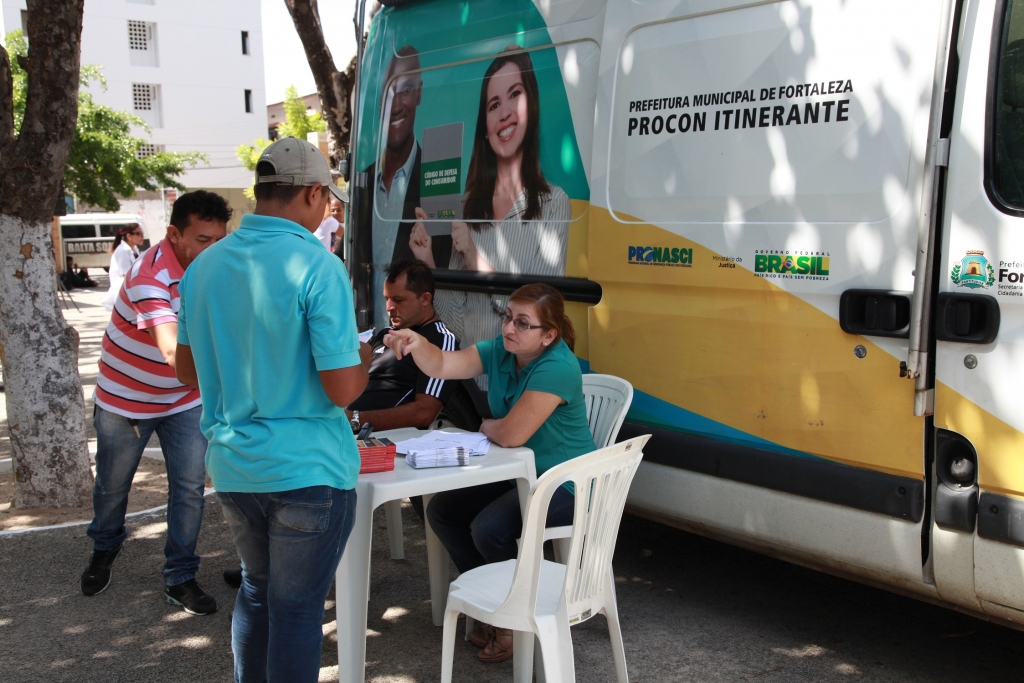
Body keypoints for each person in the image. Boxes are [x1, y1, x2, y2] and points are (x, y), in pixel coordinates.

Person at [174, 136, 370, 683]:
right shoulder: (318, 265)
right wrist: (367, 355)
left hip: (236, 467)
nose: (330, 208)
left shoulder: (203, 267)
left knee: (258, 593)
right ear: (311, 193)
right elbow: (343, 389)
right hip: (308, 470)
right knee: (298, 609)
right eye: (328, 197)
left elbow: (187, 373)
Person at [383, 283, 594, 663]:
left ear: (549, 335)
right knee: (443, 513)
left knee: (489, 529)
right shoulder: (503, 351)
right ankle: (496, 610)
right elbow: (444, 365)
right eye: (508, 317)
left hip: (563, 482)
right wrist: (416, 342)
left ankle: (509, 619)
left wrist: (485, 425)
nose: (509, 328)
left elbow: (511, 434)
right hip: (521, 473)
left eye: (522, 323)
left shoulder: (558, 366)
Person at [80, 190, 231, 616]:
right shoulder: (149, 276)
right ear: (173, 234)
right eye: (203, 240)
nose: (213, 250)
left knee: (189, 488)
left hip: (184, 399)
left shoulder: (216, 267)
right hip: (126, 400)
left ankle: (179, 575)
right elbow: (171, 352)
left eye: (220, 239)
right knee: (113, 487)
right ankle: (104, 547)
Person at [410, 48, 571, 354]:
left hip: (517, 379)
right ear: (484, 127)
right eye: (494, 104)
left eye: (515, 94)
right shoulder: (468, 206)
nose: (505, 112)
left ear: (532, 106)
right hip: (469, 379)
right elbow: (455, 322)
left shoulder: (555, 204)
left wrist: (473, 256)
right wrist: (427, 261)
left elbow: (536, 315)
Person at [356, 45, 452, 331]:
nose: (396, 105)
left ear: (420, 93)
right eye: (388, 92)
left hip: (413, 346)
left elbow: (441, 280)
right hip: (366, 339)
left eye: (406, 90)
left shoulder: (437, 184)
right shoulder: (363, 181)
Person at [102, 224, 144, 310]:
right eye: (139, 233)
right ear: (129, 236)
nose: (142, 236)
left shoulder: (134, 248)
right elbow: (125, 273)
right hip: (123, 290)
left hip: (132, 289)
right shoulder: (123, 251)